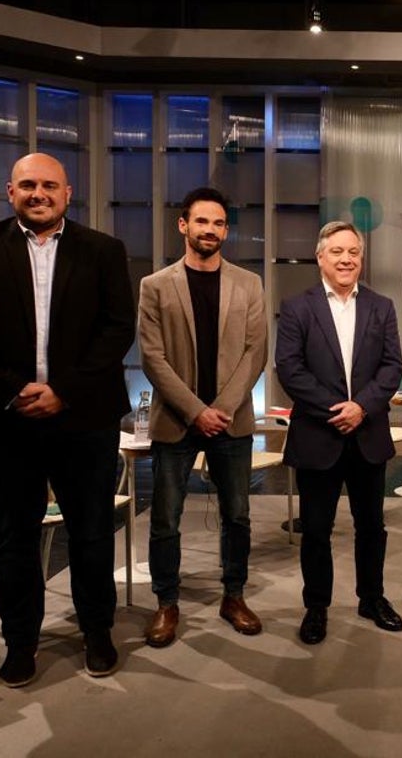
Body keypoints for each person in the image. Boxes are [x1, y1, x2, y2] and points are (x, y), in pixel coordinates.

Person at [0, 152, 135, 687]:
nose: (38, 193)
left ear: (68, 194)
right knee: (13, 537)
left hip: (83, 417)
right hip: (5, 418)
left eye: (49, 185)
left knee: (92, 533)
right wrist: (14, 389)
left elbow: (117, 330)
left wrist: (63, 391)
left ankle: (97, 633)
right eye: (28, 185)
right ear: (9, 192)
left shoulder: (104, 251)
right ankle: (21, 643)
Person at [137, 187, 268, 647]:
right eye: (201, 222)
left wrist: (223, 409)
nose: (209, 230)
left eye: (218, 223)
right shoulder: (154, 286)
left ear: (225, 230)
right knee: (165, 519)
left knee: (238, 515)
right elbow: (152, 358)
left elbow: (256, 353)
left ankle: (234, 596)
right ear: (184, 226)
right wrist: (196, 411)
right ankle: (166, 603)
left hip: (231, 420)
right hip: (177, 419)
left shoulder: (249, 284)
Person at [276, 221, 402, 644]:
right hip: (320, 434)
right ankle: (316, 607)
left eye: (353, 251)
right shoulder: (297, 307)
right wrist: (337, 410)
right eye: (337, 251)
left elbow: (393, 367)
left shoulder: (381, 307)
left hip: (367, 435)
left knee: (372, 527)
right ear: (320, 257)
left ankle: (372, 598)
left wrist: (362, 407)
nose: (346, 259)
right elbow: (289, 369)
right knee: (316, 530)